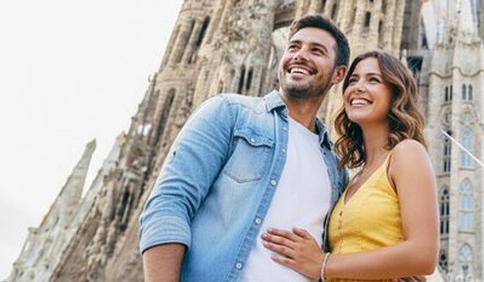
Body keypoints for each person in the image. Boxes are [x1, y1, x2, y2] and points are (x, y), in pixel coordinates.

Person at [138, 14, 351, 282]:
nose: (300, 55)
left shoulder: (335, 168)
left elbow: (340, 248)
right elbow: (169, 203)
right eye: (294, 47)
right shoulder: (229, 113)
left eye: (316, 51)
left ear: (338, 74)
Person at [260, 50, 438, 281]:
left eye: (373, 80)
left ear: (396, 94)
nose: (358, 87)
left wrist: (323, 263)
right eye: (353, 80)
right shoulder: (354, 177)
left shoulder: (407, 152)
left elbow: (423, 255)